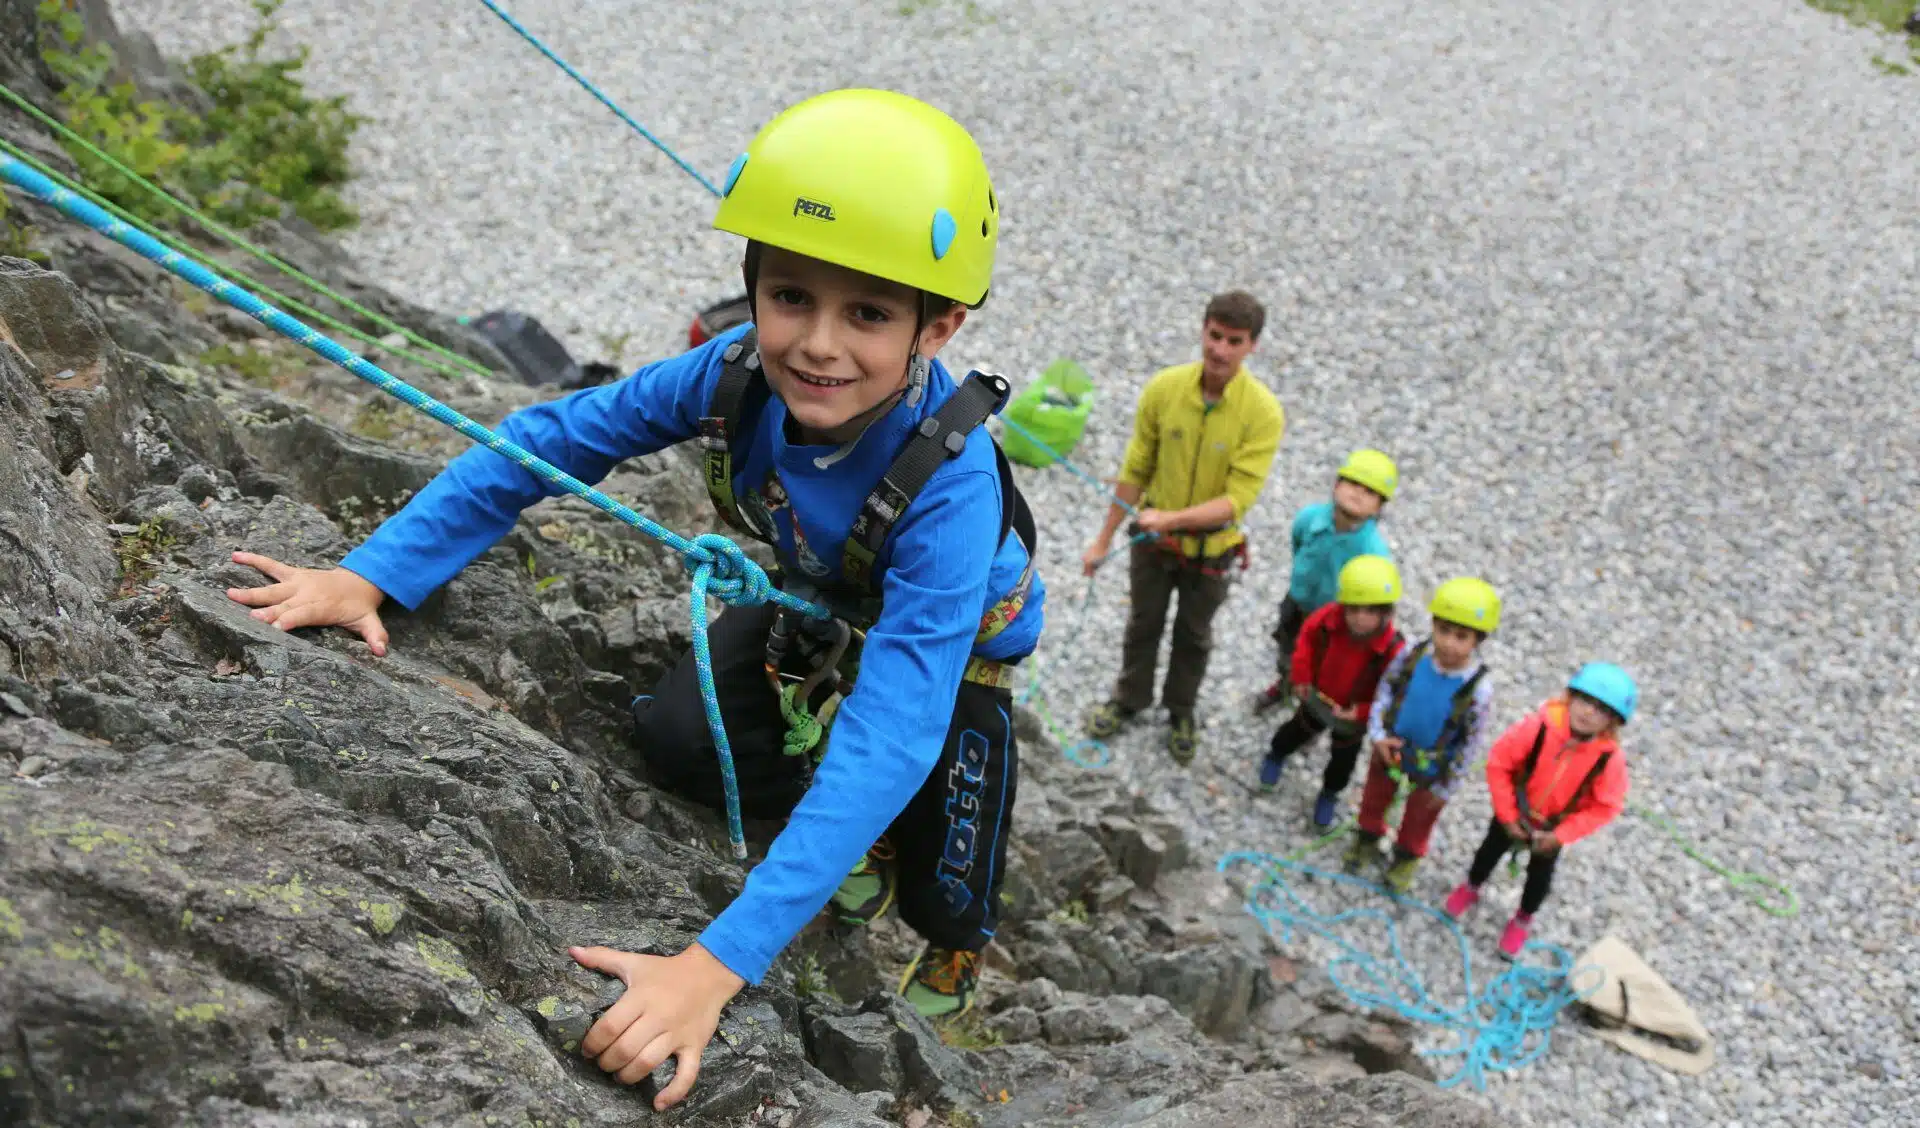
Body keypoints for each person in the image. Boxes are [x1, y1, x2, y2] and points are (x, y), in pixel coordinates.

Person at [221, 88, 1044, 1108]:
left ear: (939, 327)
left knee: (944, 851)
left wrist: (714, 967)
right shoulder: (732, 375)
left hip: (960, 637)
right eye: (791, 297)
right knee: (677, 740)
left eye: (868, 313)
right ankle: (841, 824)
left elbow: (898, 726)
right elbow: (551, 440)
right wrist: (371, 574)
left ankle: (956, 948)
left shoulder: (953, 494)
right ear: (752, 287)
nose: (819, 345)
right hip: (826, 591)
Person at [1079, 291, 1285, 764]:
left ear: (1252, 346)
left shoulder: (1262, 414)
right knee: (1142, 624)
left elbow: (1237, 502)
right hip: (1152, 544)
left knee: (1194, 635)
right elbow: (1136, 468)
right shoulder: (1164, 390)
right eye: (1214, 336)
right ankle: (1129, 699)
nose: (1220, 350)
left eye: (1234, 341)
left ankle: (1181, 710)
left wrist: (1169, 518)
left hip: (1211, 552)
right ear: (1203, 329)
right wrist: (1102, 539)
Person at [1444, 663, 1636, 959]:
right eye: (1585, 701)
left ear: (1612, 722)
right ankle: (1471, 885)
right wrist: (1508, 815)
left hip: (1551, 828)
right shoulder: (1539, 728)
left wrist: (1561, 835)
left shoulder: (1608, 760)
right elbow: (1500, 763)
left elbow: (1605, 806)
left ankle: (1523, 918)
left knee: (1539, 877)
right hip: (1515, 811)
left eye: (1601, 710)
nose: (1588, 713)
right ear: (1570, 697)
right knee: (1488, 852)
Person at [1342, 577, 1501, 892]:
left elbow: (1471, 743)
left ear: (1477, 641)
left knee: (1420, 816)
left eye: (1461, 637)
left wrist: (1447, 787)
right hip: (1391, 746)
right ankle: (1367, 838)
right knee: (1374, 798)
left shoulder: (1478, 690)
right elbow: (1385, 691)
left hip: (1434, 767)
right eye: (1443, 631)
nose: (1449, 644)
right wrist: (1376, 734)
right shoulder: (1412, 656)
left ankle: (1405, 858)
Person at [1257, 554, 1406, 828]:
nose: (1361, 619)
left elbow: (1393, 693)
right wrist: (1300, 676)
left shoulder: (1393, 648)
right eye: (1354, 609)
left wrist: (1362, 712)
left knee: (1342, 761)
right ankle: (1275, 755)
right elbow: (1306, 642)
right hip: (1317, 698)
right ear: (1343, 605)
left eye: (1371, 611)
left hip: (1352, 717)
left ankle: (1329, 794)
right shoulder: (1327, 619)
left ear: (1387, 612)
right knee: (1295, 731)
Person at [1253, 449, 1398, 712]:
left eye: (1370, 492)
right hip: (1297, 602)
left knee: (1323, 666)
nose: (1358, 494)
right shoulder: (1309, 518)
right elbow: (1297, 543)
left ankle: (1309, 710)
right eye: (1353, 484)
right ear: (1336, 484)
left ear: (1379, 507)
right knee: (1288, 647)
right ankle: (1286, 681)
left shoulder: (1372, 552)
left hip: (1333, 620)